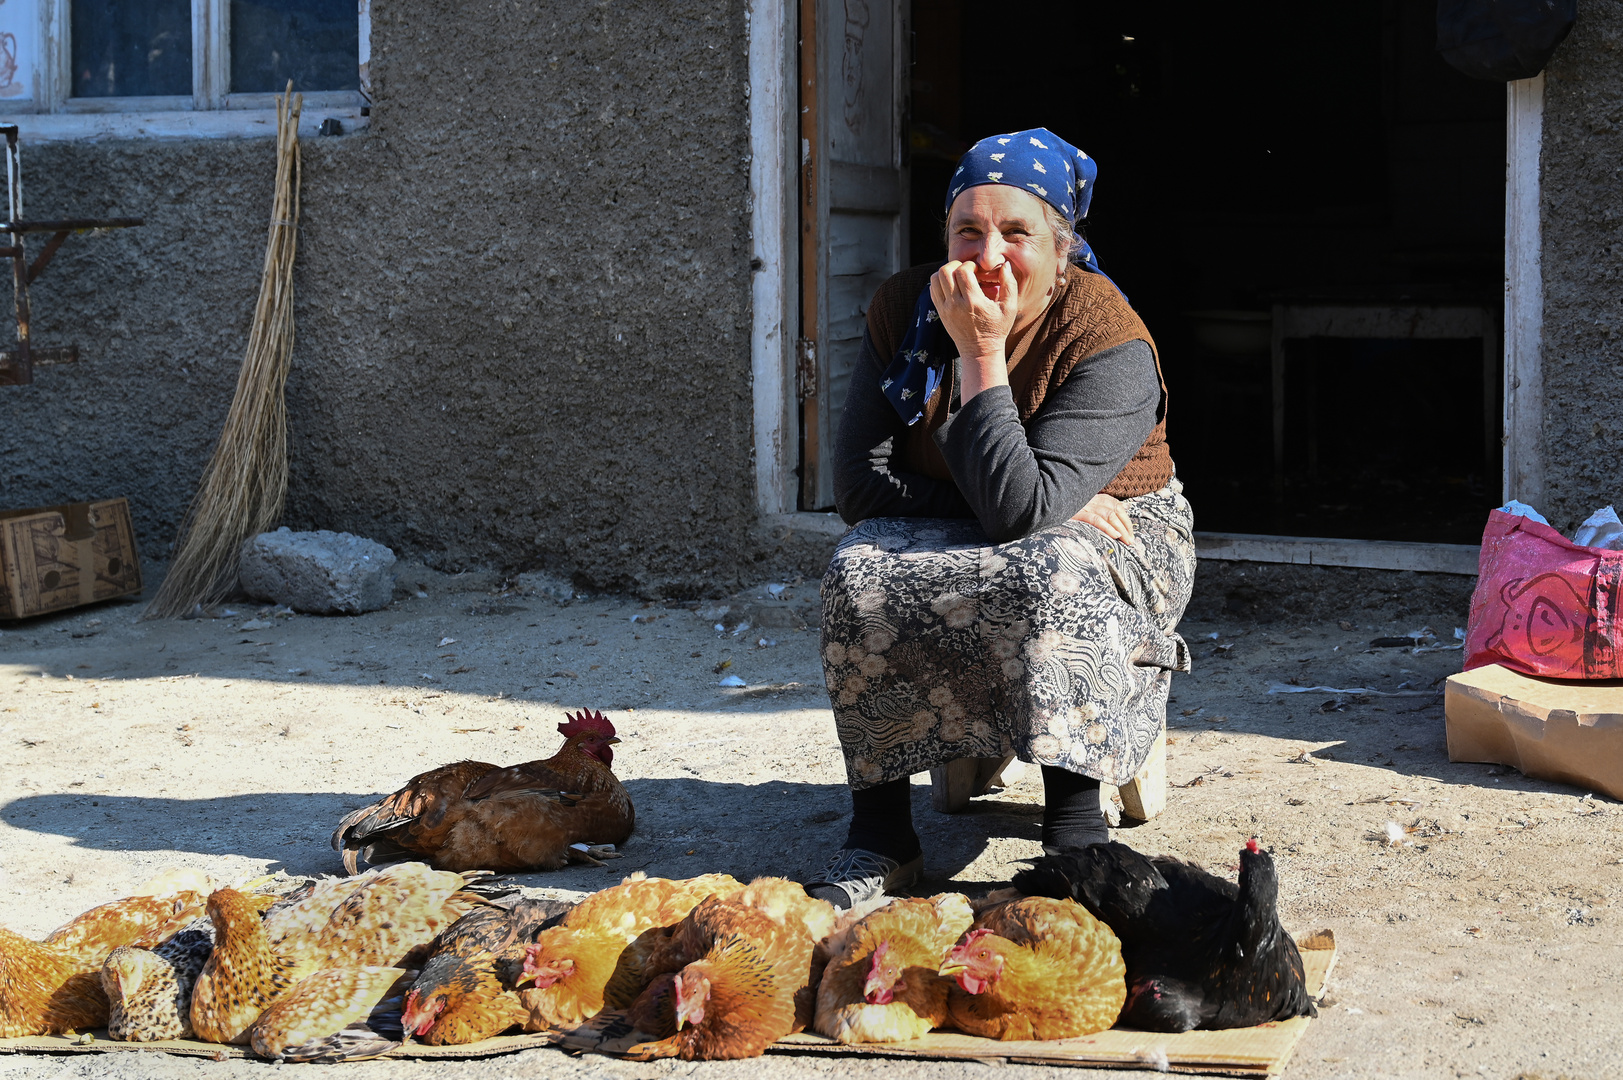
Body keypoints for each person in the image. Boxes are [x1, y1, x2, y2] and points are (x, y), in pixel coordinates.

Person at [804, 128, 1195, 909]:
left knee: (1053, 565)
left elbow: (1021, 514)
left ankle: (1075, 831)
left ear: (1060, 248)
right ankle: (881, 836)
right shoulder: (902, 306)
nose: (987, 256)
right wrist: (1029, 497)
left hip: (1122, 534)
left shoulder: (1106, 336)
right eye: (967, 231)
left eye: (1015, 233)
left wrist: (979, 355)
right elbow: (857, 487)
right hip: (982, 513)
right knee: (857, 567)